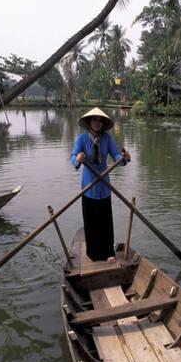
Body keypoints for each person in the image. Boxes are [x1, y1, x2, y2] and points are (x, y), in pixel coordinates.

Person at [71, 107, 131, 262]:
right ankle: (93, 254)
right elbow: (73, 158)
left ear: (103, 123)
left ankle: (107, 254)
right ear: (89, 122)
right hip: (88, 186)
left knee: (105, 221)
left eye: (100, 120)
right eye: (95, 120)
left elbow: (116, 155)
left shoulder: (107, 138)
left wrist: (124, 158)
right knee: (91, 222)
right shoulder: (81, 139)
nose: (98, 123)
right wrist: (78, 159)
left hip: (104, 186)